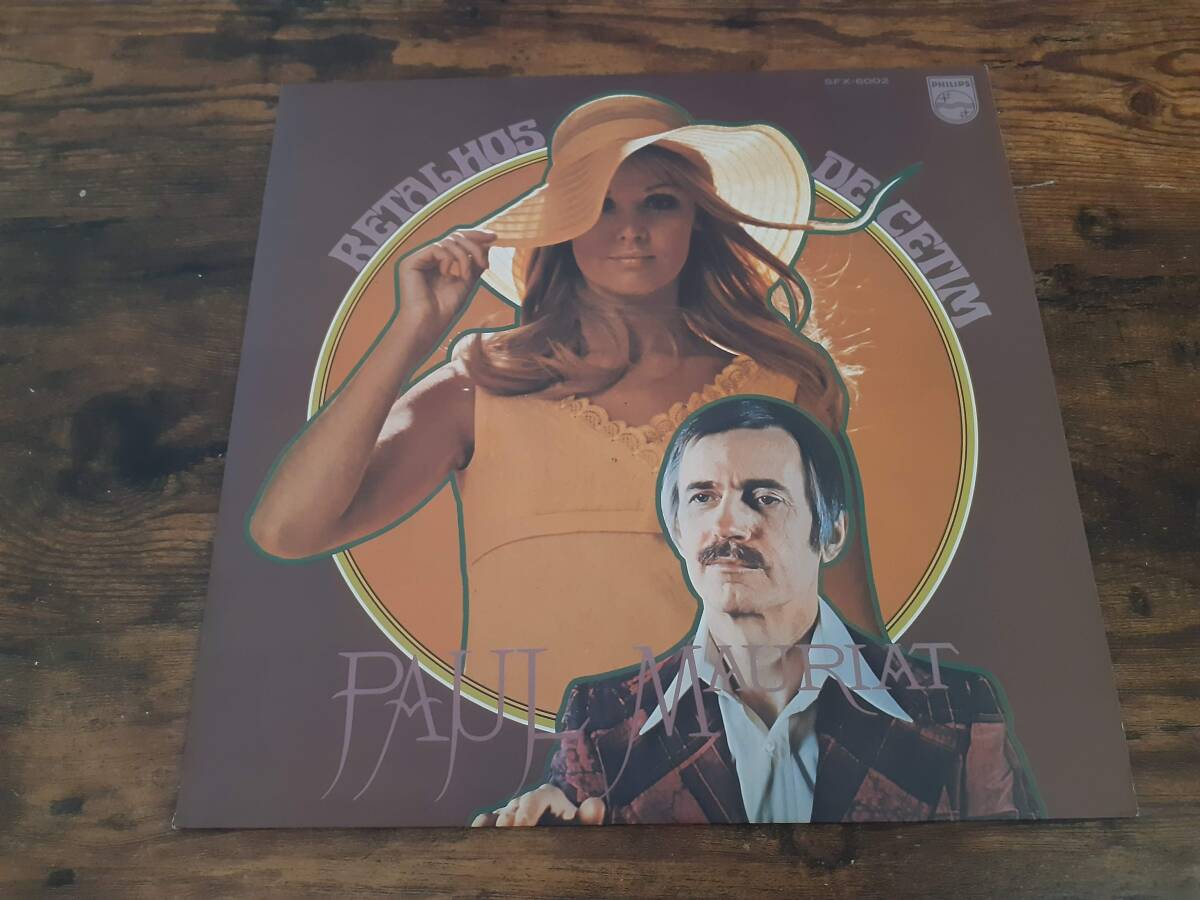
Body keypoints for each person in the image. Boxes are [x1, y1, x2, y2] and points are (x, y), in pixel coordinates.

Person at [248, 93, 909, 719]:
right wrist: (410, 333)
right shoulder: (481, 388)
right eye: (598, 207)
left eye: (659, 203)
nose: (631, 231)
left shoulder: (782, 391)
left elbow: (851, 637)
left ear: (696, 220)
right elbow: (288, 530)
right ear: (560, 227)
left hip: (732, 766)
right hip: (522, 765)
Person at [473, 398, 1041, 825]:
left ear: (831, 533)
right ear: (678, 531)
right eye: (703, 498)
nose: (728, 524)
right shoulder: (602, 723)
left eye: (765, 497)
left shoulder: (956, 713)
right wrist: (544, 856)